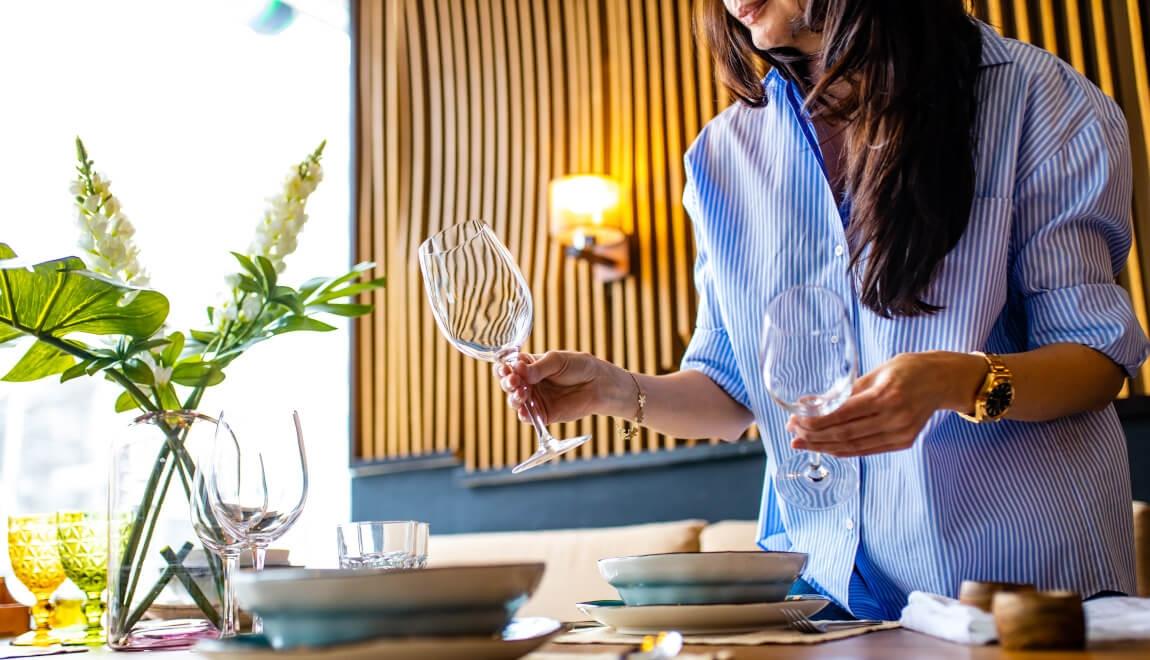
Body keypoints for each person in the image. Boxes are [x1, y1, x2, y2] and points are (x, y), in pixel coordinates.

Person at [497, 0, 1150, 619]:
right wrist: (619, 390)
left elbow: (1093, 359)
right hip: (824, 598)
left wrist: (954, 380)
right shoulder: (723, 157)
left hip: (1015, 598)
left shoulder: (1040, 101)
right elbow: (731, 391)